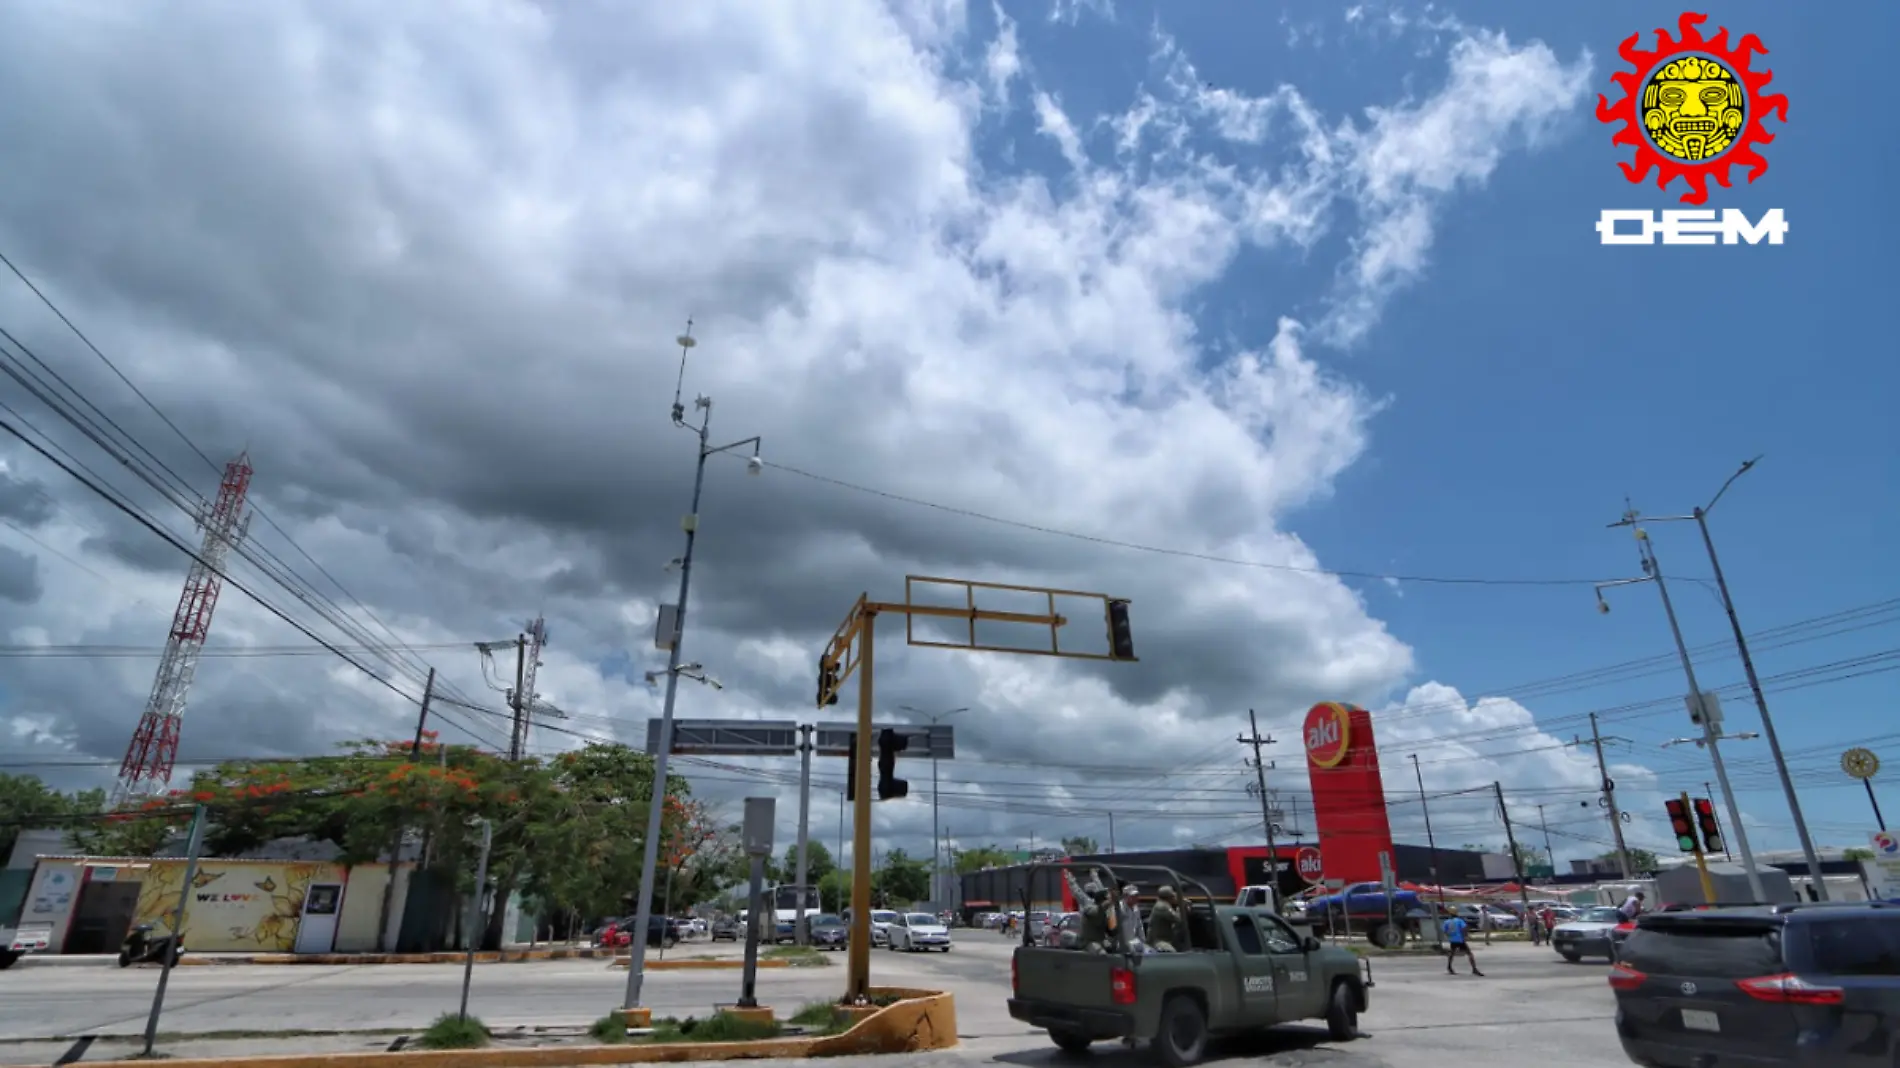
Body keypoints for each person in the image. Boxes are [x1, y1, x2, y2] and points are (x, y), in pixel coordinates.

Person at [1147, 885, 1187, 952]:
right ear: (1169, 897)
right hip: (1159, 941)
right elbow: (1179, 919)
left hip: (1166, 939)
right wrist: (1181, 907)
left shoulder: (1164, 904)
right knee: (1171, 953)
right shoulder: (1162, 906)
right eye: (1173, 896)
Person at [1442, 912, 1483, 976]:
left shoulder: (1446, 922)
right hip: (1460, 940)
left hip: (1453, 940)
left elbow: (1445, 931)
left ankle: (1449, 967)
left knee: (1452, 953)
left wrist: (1450, 936)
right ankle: (1474, 969)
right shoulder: (1459, 920)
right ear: (1457, 915)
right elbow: (1464, 928)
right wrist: (1465, 935)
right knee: (1470, 954)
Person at [1118, 883, 1147, 949]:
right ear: (1125, 896)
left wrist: (1143, 941)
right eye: (1133, 896)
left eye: (1136, 895)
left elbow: (1139, 927)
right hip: (1121, 944)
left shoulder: (1136, 908)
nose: (1136, 898)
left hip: (1134, 942)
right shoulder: (1119, 908)